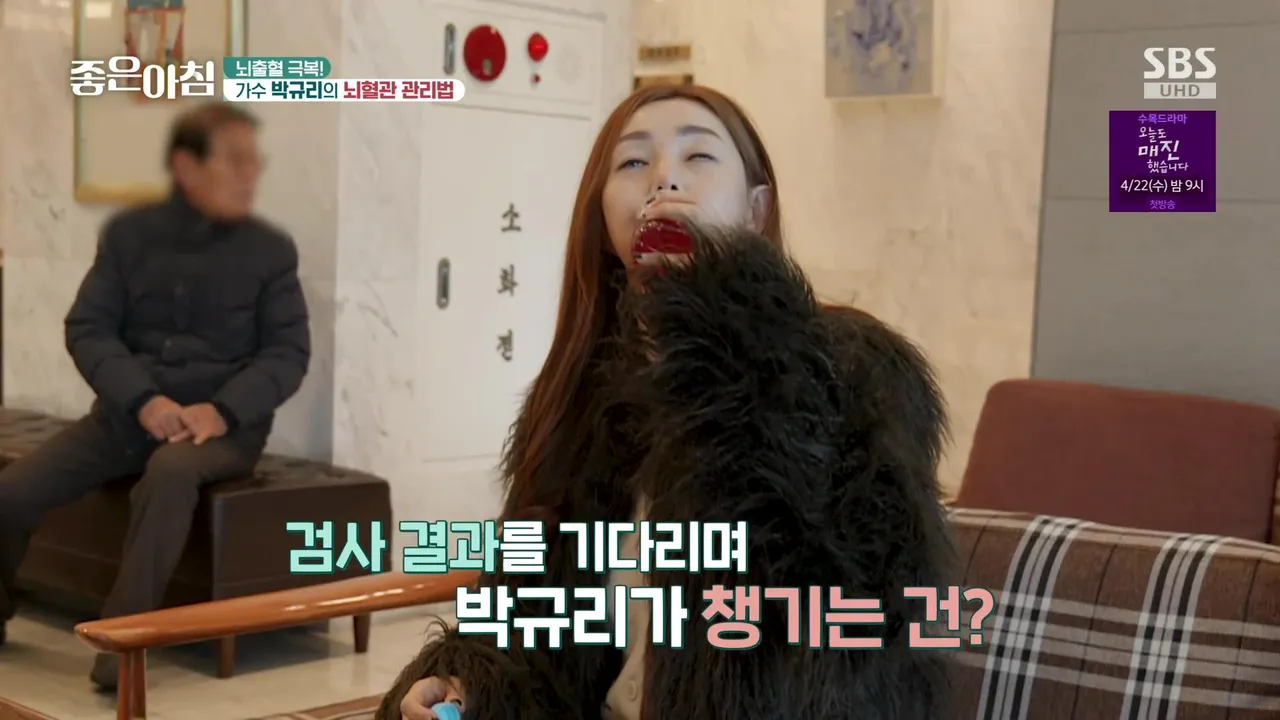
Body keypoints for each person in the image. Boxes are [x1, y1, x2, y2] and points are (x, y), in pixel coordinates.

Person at [379, 84, 952, 720]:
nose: (663, 179)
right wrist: (463, 683)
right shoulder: (582, 399)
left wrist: (725, 327)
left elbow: (858, 626)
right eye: (632, 162)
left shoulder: (855, 369)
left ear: (756, 209)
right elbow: (526, 618)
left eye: (698, 157)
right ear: (604, 225)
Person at [0, 102, 310, 691]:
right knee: (11, 493)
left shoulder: (270, 251)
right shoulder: (129, 236)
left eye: (255, 161)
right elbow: (88, 328)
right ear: (187, 167)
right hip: (127, 416)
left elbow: (288, 353)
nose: (251, 174)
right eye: (236, 160)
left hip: (221, 430)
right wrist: (143, 400)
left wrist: (222, 411)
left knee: (169, 474)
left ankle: (119, 649)